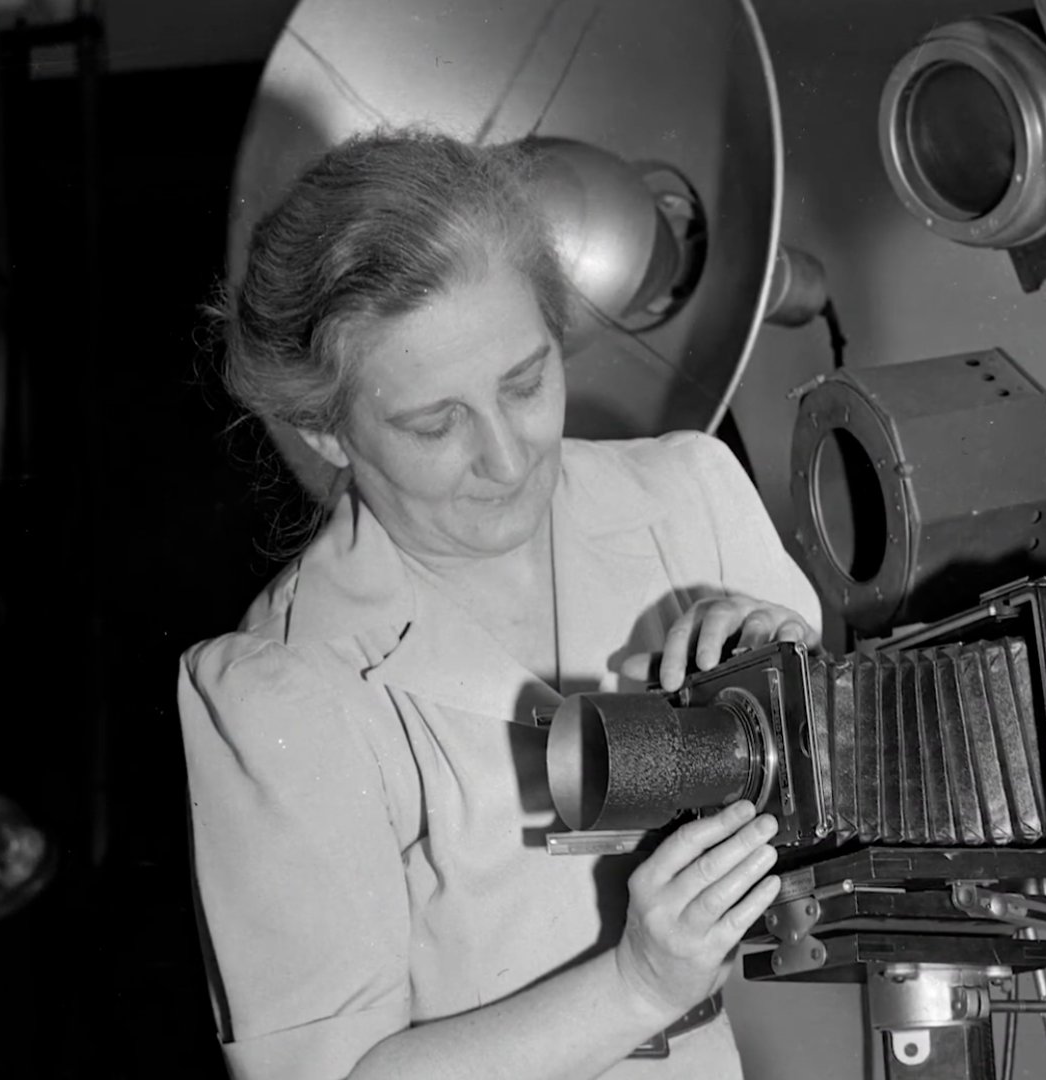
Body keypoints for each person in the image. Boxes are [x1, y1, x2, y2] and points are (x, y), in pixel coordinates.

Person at [177, 128, 822, 1080]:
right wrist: (637, 986)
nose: (509, 458)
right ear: (326, 431)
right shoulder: (283, 688)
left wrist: (806, 700)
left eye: (526, 383)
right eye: (435, 423)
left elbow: (865, 857)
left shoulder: (689, 499)